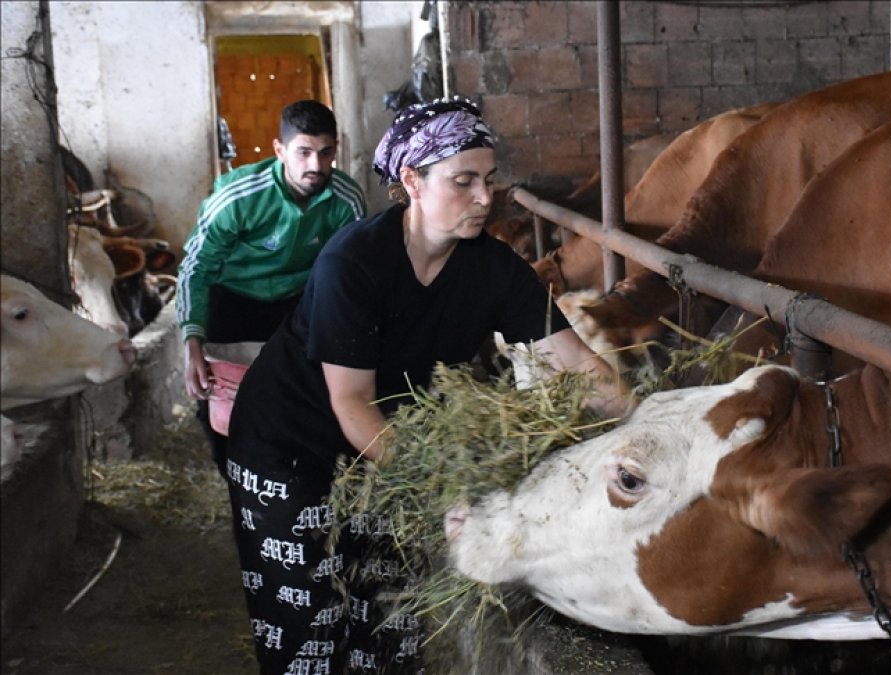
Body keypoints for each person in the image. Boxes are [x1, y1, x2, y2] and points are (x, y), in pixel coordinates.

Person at [223, 97, 626, 674]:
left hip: (395, 447)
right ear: (412, 180)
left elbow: (580, 365)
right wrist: (438, 495)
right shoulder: (354, 263)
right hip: (293, 444)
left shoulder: (493, 269)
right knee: (310, 628)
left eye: (489, 180)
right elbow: (351, 401)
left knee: (391, 624)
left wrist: (650, 421)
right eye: (463, 181)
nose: (485, 198)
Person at [177, 100, 366, 471]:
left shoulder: (346, 201)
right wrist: (191, 340)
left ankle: (289, 478)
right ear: (280, 150)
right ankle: (233, 476)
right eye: (304, 152)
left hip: (297, 303)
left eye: (326, 153)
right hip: (231, 299)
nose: (315, 165)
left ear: (335, 150)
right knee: (220, 403)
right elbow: (196, 269)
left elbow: (353, 275)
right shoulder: (238, 197)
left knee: (298, 396)